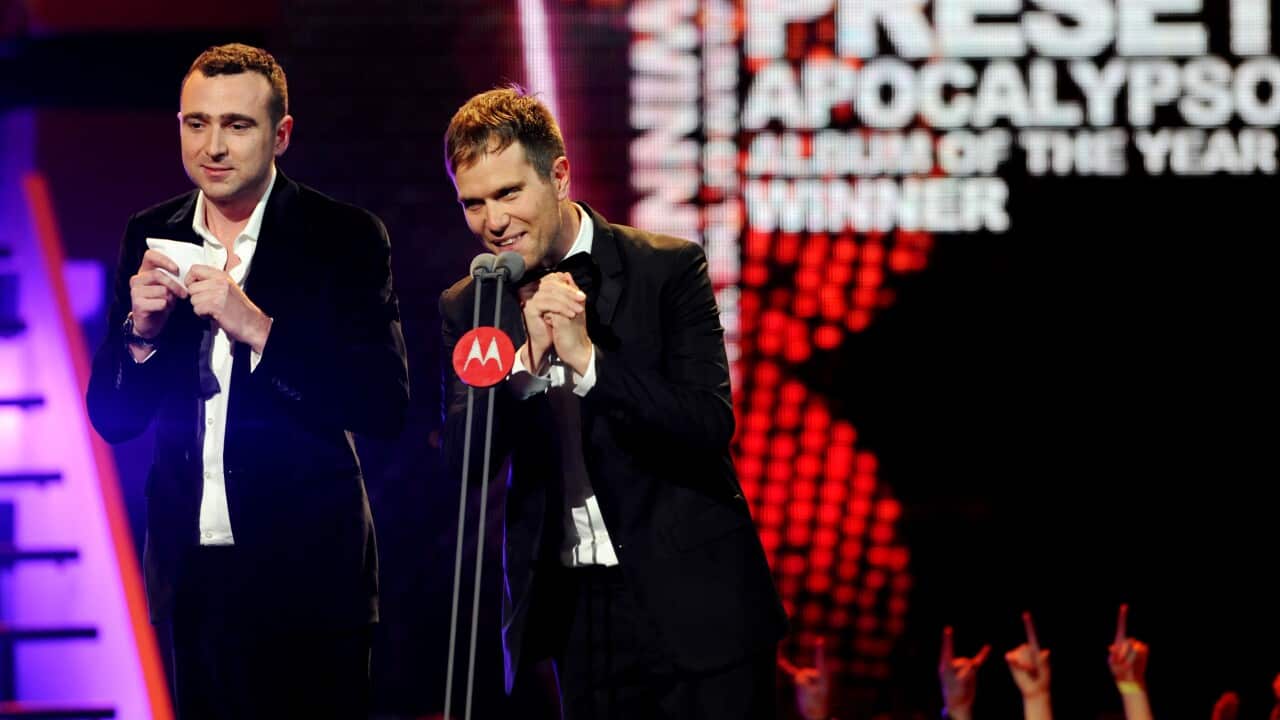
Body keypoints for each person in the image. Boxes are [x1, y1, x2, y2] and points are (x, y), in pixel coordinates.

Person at [439, 86, 786, 720]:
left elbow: (708, 423)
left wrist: (589, 361)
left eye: (509, 193)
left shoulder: (667, 268)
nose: (494, 221)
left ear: (559, 175)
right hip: (574, 611)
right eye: (474, 203)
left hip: (698, 602)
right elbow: (465, 463)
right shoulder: (471, 304)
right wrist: (524, 364)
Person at [86, 43, 408, 718]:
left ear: (281, 134)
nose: (213, 146)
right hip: (192, 577)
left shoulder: (343, 236)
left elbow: (383, 403)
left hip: (312, 579)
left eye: (237, 125)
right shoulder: (151, 233)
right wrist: (140, 335)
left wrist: (260, 330)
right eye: (196, 123)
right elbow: (114, 420)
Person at [1005, 612, 1052, 720]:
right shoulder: (1029, 685)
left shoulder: (1041, 675)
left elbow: (1035, 647)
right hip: (1033, 706)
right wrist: (1024, 667)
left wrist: (1028, 623)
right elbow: (1008, 657)